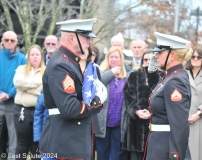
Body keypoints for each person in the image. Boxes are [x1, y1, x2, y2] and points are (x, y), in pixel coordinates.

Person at [38, 18, 107, 160]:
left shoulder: (69, 62)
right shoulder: (61, 65)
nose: (90, 41)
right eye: (86, 37)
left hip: (70, 143)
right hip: (65, 145)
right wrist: (97, 101)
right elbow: (70, 108)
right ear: (71, 38)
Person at [143, 32, 193, 160]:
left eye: (160, 53)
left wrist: (176, 155)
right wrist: (152, 70)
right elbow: (157, 91)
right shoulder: (169, 76)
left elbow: (179, 124)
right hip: (158, 142)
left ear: (173, 55)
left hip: (166, 147)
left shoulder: (176, 80)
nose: (156, 56)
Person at [95, 46, 137, 160]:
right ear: (107, 58)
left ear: (121, 59)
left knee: (116, 155)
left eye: (116, 57)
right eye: (111, 57)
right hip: (103, 123)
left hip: (120, 123)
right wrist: (111, 72)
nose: (114, 59)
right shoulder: (100, 72)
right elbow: (97, 84)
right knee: (102, 155)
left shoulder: (127, 76)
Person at [13, 44, 45, 160]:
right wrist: (38, 83)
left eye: (37, 54)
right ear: (28, 57)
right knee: (22, 143)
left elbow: (45, 90)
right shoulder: (21, 69)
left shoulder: (46, 71)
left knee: (36, 143)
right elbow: (18, 83)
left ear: (41, 56)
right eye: (32, 55)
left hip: (40, 112)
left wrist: (27, 88)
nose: (35, 57)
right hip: (22, 110)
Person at [0, 31, 27, 160]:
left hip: (13, 103)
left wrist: (9, 93)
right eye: (7, 40)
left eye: (12, 40)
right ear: (2, 41)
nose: (9, 42)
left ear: (17, 42)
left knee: (13, 138)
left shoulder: (22, 59)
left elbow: (22, 80)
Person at [122, 50, 153, 160]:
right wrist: (136, 110)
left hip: (153, 123)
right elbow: (127, 95)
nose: (148, 62)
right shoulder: (134, 76)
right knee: (135, 156)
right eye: (146, 59)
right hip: (135, 124)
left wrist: (151, 111)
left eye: (151, 59)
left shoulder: (161, 77)